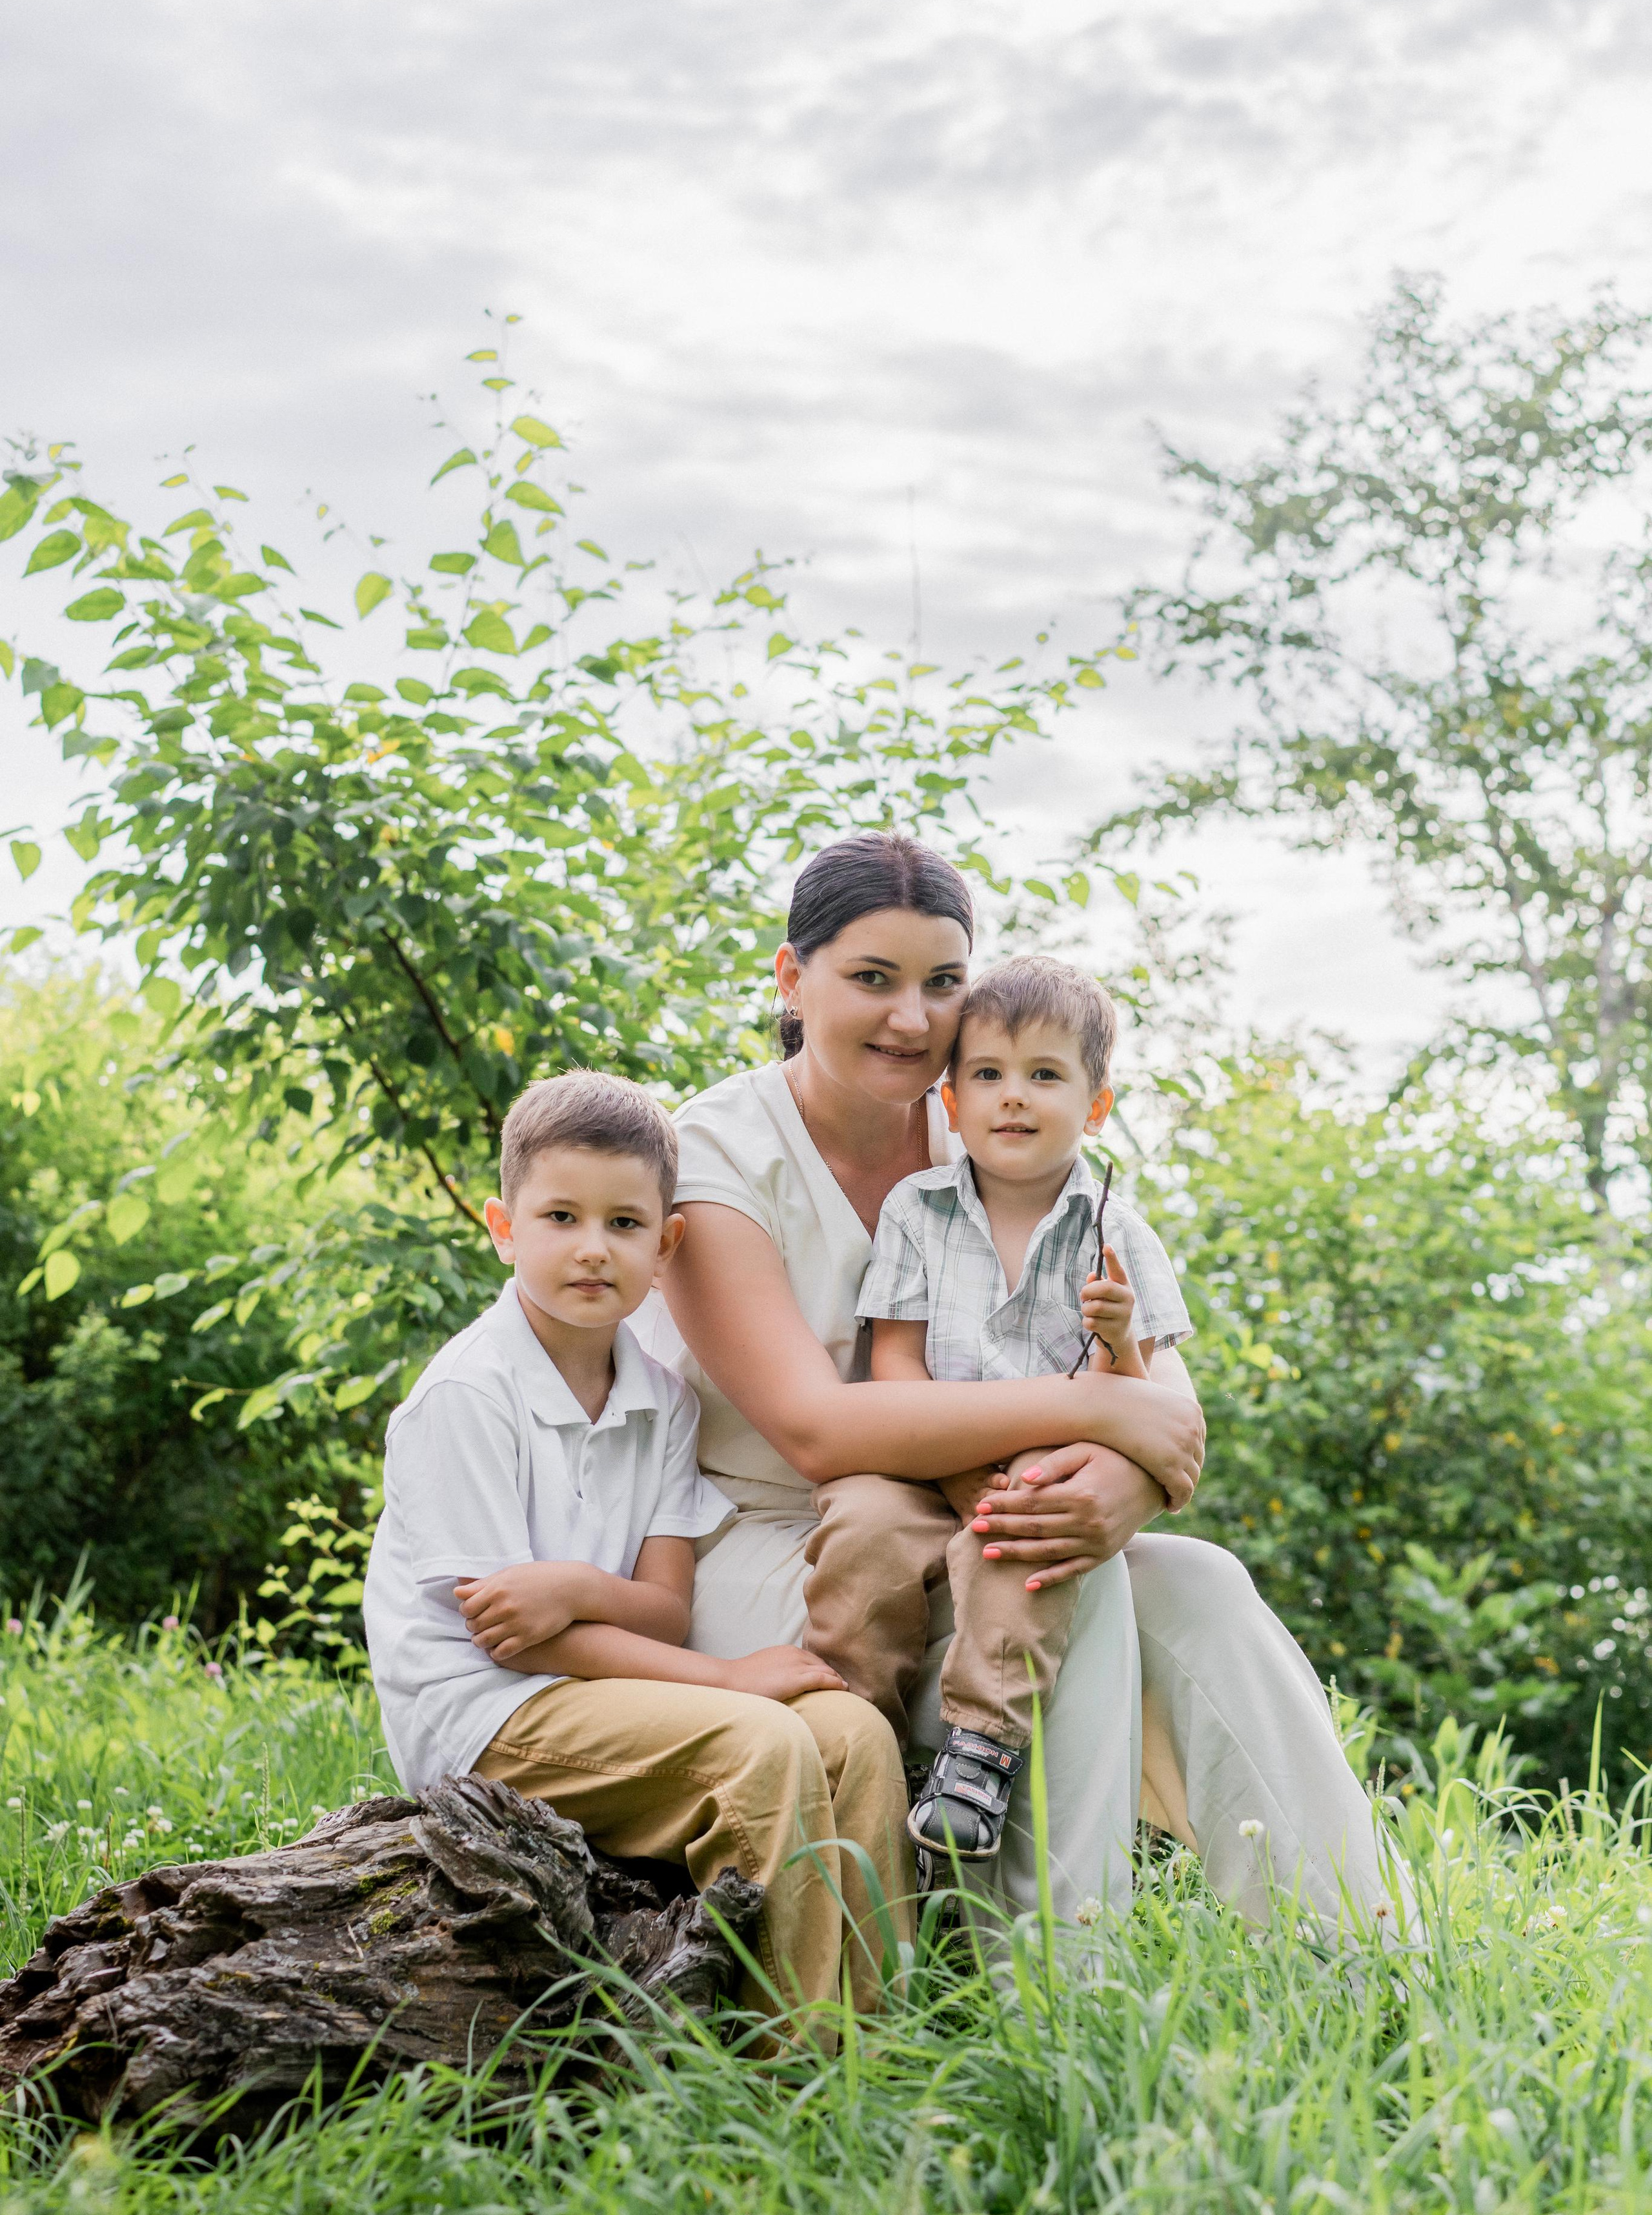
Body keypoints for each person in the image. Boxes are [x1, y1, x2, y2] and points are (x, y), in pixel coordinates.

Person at [643, 831, 1395, 1933]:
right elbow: (814, 1430)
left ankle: (1363, 1955)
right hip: (782, 1543)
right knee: (1061, 1575)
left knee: (1202, 1585)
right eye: (871, 979)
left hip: (983, 1505)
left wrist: (1120, 1490)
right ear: (791, 980)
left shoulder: (994, 1121)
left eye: (942, 984)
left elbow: (1168, 1410)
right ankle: (1056, 1993)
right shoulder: (714, 1152)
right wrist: (1094, 1415)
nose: (911, 1017)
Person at [363, 1068, 914, 2034]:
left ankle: (880, 2032)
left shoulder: (663, 1399)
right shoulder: (471, 1395)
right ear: (504, 1226)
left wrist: (573, 1586)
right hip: (483, 1718)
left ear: (667, 1246)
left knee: (853, 1734)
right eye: (561, 1218)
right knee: (766, 1745)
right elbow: (516, 1642)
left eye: (624, 1225)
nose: (592, 1249)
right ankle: (788, 2057)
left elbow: (660, 1604)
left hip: (603, 1690)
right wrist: (724, 1680)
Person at [814, 953, 1169, 1869]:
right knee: (860, 1528)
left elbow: (1141, 1399)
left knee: (1021, 1551)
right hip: (921, 1457)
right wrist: (948, 1464)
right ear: (950, 1102)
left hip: (1036, 1475)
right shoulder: (918, 1210)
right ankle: (854, 1732)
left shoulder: (1115, 1230)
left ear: (1096, 1107)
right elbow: (892, 1361)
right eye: (988, 1075)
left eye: (1045, 1076)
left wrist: (1122, 1337)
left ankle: (978, 1753)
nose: (1013, 1098)